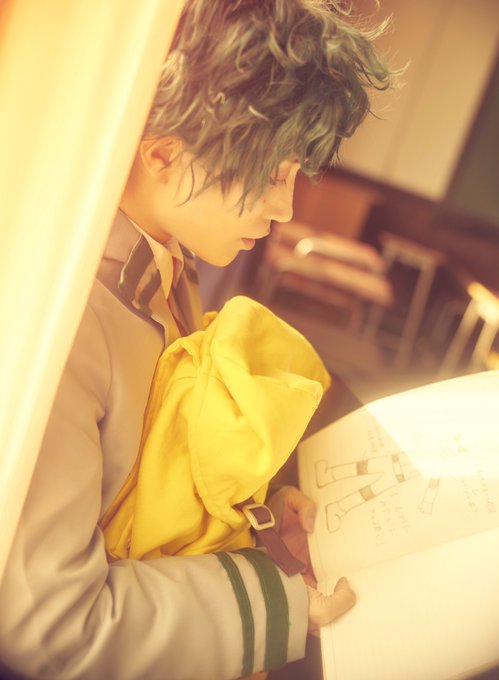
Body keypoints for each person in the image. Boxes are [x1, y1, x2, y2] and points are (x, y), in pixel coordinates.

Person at [0, 1, 394, 678]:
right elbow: (50, 624)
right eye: (270, 174)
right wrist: (278, 601)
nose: (284, 208)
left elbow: (142, 492)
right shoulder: (67, 317)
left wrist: (254, 522)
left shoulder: (160, 269)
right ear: (162, 154)